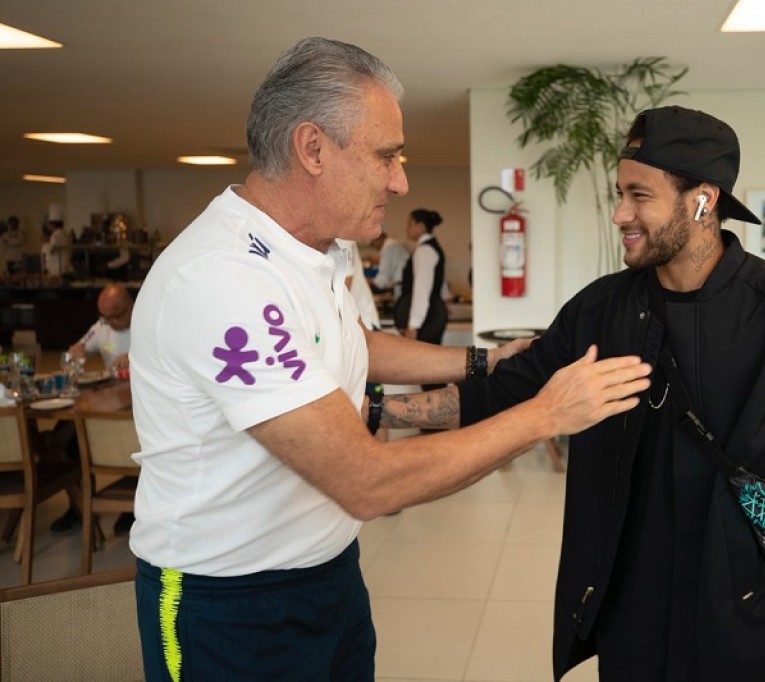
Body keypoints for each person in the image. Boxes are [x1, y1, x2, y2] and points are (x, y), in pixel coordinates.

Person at [128, 37, 650, 682]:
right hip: (230, 599)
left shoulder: (320, 250)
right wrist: (546, 415)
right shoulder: (222, 280)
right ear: (312, 148)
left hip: (329, 568)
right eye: (386, 156)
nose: (401, 181)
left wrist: (482, 361)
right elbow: (368, 481)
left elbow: (351, 343)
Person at [383, 106, 765, 681]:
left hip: (744, 621)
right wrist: (380, 409)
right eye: (618, 193)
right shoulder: (601, 309)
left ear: (703, 200)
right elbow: (503, 396)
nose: (619, 214)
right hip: (630, 619)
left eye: (638, 195)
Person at [49, 284, 136, 536]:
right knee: (63, 439)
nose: (110, 322)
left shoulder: (148, 323)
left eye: (116, 315)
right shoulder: (102, 327)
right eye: (104, 316)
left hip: (138, 406)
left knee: (130, 445)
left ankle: (132, 508)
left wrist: (137, 355)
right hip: (108, 403)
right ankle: (77, 506)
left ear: (131, 307)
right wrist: (75, 353)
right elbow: (74, 352)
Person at [393, 208, 447, 391]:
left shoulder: (424, 251)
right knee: (432, 372)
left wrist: (413, 326)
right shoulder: (432, 247)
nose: (406, 228)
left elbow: (421, 290)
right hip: (432, 316)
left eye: (410, 224)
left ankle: (442, 417)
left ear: (420, 226)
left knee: (430, 373)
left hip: (427, 320)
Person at [367, 229, 410, 297]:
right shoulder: (393, 244)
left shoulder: (388, 248)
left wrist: (368, 281)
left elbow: (382, 280)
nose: (373, 247)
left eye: (372, 244)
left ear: (378, 238)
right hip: (404, 285)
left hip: (402, 287)